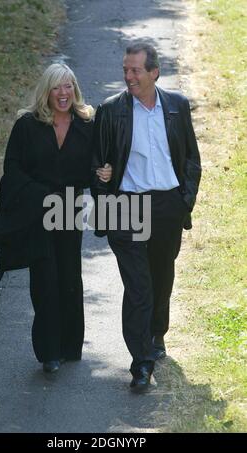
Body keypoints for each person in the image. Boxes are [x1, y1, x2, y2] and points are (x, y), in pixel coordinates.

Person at [91, 43, 201, 392]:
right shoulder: (111, 111)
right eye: (125, 69)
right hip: (127, 207)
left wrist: (184, 200)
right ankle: (141, 363)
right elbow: (94, 164)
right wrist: (101, 175)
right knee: (138, 286)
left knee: (161, 276)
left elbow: (191, 161)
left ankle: (157, 334)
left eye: (135, 70)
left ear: (154, 72)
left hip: (167, 206)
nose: (128, 76)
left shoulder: (177, 106)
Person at [0, 63, 112, 373]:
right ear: (47, 91)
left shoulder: (88, 124)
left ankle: (70, 346)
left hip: (69, 209)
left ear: (75, 89)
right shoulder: (27, 125)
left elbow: (96, 165)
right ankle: (49, 352)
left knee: (69, 277)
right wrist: (39, 195)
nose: (63, 93)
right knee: (45, 278)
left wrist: (103, 174)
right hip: (38, 210)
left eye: (68, 86)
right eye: (57, 87)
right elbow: (13, 169)